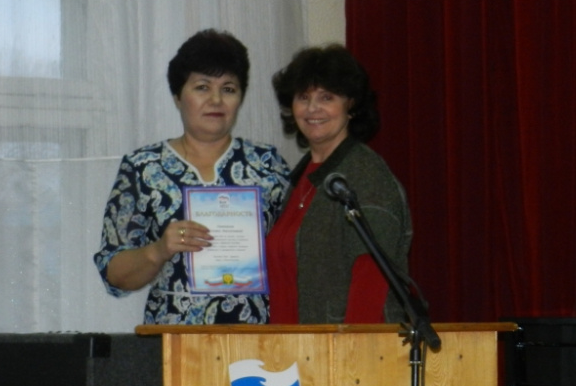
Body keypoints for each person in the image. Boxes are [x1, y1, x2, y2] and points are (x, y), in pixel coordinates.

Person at [94, 29, 290, 324]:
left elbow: (294, 255)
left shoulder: (268, 165)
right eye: (202, 87)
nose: (216, 100)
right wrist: (159, 250)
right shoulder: (143, 167)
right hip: (174, 337)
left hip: (256, 338)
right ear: (177, 96)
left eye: (228, 89)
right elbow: (115, 274)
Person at [266, 44, 411, 324]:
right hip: (292, 345)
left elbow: (371, 279)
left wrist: (351, 347)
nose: (312, 108)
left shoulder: (366, 175)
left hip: (343, 347)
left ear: (351, 105)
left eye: (327, 97)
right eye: (303, 97)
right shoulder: (300, 179)